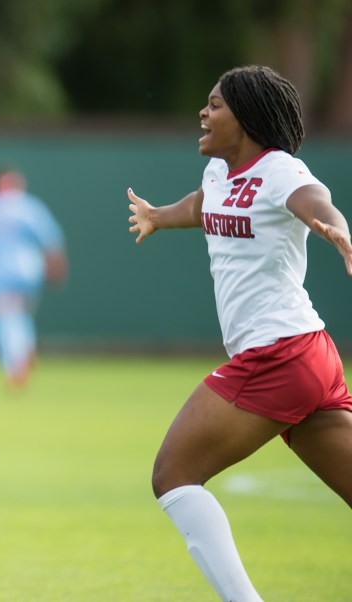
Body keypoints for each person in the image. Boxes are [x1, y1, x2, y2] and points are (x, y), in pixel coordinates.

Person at [127, 65, 352, 601]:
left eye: (215, 105)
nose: (203, 114)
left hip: (278, 354)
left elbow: (316, 202)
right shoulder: (218, 175)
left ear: (247, 117)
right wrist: (160, 215)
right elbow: (204, 207)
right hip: (309, 356)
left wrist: (336, 228)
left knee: (173, 473)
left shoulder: (279, 170)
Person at [0, 168, 68, 388]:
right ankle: (26, 347)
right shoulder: (29, 206)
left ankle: (14, 364)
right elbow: (51, 239)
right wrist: (56, 267)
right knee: (20, 314)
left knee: (4, 318)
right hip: (30, 270)